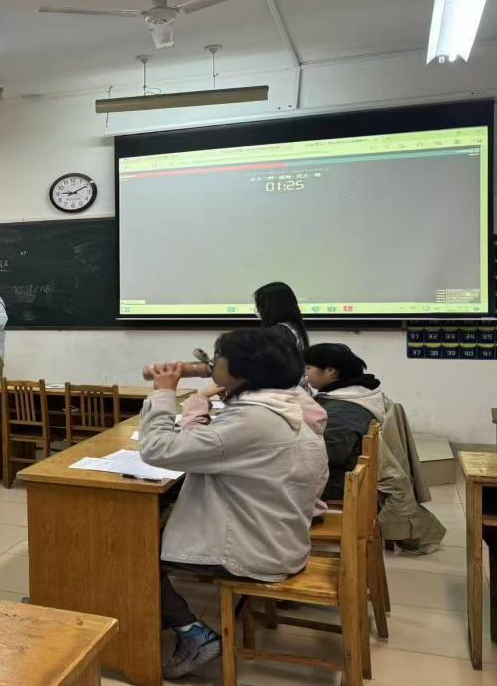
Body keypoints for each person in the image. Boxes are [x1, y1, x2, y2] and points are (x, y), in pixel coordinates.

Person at [138, 329, 327, 678]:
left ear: (243, 369)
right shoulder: (286, 405)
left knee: (127, 548)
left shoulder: (254, 419)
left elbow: (157, 449)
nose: (211, 364)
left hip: (256, 549)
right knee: (149, 525)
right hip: (280, 536)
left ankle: (191, 633)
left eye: (218, 358)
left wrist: (164, 393)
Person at [304, 343, 390, 501]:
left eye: (308, 368)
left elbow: (331, 454)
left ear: (331, 371)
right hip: (345, 475)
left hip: (339, 482)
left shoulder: (344, 408)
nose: (305, 373)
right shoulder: (356, 395)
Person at [253, 281, 309, 354]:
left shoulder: (280, 331)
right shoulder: (292, 326)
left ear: (271, 306)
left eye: (259, 304)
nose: (257, 309)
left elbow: (273, 358)